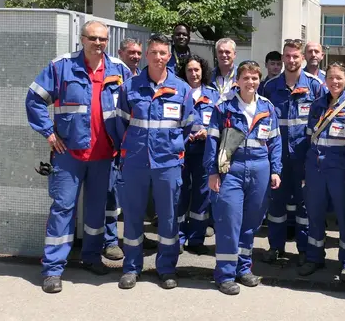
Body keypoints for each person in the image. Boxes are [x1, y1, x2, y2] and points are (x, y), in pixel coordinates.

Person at [25, 20, 132, 294]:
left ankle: (92, 258)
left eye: (103, 39)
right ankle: (52, 270)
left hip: (104, 155)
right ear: (82, 39)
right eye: (93, 38)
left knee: (96, 211)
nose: (99, 43)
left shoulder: (119, 70)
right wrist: (49, 133)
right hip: (69, 154)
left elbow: (133, 107)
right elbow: (35, 98)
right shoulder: (61, 67)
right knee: (63, 209)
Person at [112, 34, 195, 290]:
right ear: (147, 55)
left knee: (169, 219)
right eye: (154, 52)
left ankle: (167, 268)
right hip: (136, 162)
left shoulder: (182, 89)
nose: (158, 57)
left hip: (168, 164)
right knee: (133, 217)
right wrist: (128, 151)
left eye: (163, 53)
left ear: (169, 57)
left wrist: (172, 149)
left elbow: (187, 126)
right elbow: (119, 125)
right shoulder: (130, 87)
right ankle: (131, 268)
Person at [203, 61, 282, 295]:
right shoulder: (224, 108)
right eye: (246, 78)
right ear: (237, 80)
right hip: (231, 168)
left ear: (259, 80)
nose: (251, 82)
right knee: (229, 220)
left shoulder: (268, 108)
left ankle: (243, 268)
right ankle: (225, 274)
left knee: (251, 222)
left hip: (260, 167)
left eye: (255, 78)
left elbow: (276, 142)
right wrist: (212, 172)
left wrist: (276, 170)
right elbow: (212, 142)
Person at [259, 39, 325, 265]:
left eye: (295, 56)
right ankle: (275, 247)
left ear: (303, 58)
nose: (291, 60)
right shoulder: (269, 86)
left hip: (304, 156)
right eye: (287, 56)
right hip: (277, 155)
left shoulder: (316, 86)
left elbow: (322, 122)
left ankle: (304, 249)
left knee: (303, 205)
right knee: (276, 203)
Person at [298, 62, 345, 281]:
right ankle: (314, 257)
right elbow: (308, 136)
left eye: (339, 78)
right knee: (314, 214)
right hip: (315, 167)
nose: (334, 82)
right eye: (331, 78)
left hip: (339, 168)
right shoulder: (316, 105)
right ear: (325, 80)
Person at [102, 38, 144, 262]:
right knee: (111, 194)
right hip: (112, 145)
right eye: (131, 52)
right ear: (120, 52)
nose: (135, 56)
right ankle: (110, 241)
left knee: (132, 196)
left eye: (138, 53)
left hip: (134, 148)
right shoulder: (113, 74)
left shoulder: (142, 78)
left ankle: (133, 237)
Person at [177, 54, 220, 254]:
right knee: (180, 193)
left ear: (203, 71)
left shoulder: (213, 95)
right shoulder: (177, 92)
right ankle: (177, 237)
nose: (193, 74)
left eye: (197, 70)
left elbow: (219, 124)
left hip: (204, 152)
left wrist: (207, 132)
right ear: (183, 73)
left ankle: (196, 238)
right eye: (189, 70)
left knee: (202, 195)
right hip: (181, 152)